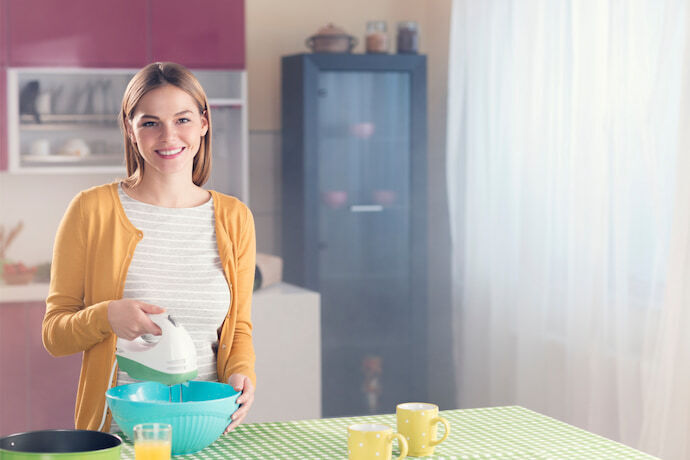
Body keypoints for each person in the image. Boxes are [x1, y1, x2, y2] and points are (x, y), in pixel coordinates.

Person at [41, 62, 256, 434]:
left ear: (205, 123)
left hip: (205, 430)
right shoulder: (92, 210)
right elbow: (54, 335)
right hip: (118, 435)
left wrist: (242, 373)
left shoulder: (235, 218)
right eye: (150, 122)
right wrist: (106, 315)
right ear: (130, 128)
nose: (169, 136)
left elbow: (237, 332)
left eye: (183, 120)